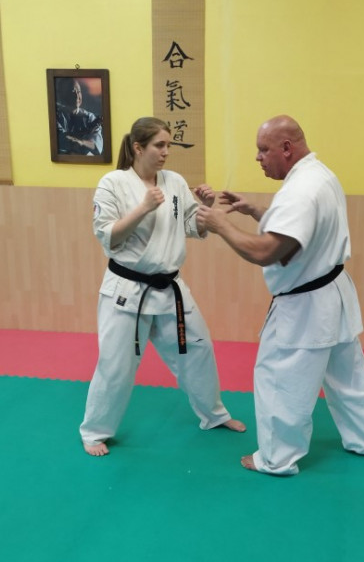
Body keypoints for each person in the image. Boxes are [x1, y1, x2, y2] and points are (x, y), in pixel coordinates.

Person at [196, 115, 364, 476]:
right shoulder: (320, 175)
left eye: (263, 149)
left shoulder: (300, 191)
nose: (257, 157)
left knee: (279, 380)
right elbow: (301, 230)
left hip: (306, 306)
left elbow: (268, 251)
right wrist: (255, 211)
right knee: (348, 378)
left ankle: (276, 459)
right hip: (333, 293)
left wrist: (221, 225)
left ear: (286, 148)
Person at [80, 116, 245, 457]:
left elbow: (191, 226)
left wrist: (206, 208)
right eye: (159, 145)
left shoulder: (174, 181)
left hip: (171, 288)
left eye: (169, 145)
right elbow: (108, 236)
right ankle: (94, 431)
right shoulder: (112, 183)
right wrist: (143, 208)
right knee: (116, 365)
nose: (166, 152)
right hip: (127, 291)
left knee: (198, 350)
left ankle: (213, 415)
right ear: (138, 148)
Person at [56, 77, 103, 156]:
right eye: (72, 91)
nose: (76, 95)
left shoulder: (90, 117)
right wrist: (86, 135)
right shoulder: (56, 116)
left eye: (78, 91)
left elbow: (96, 147)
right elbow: (62, 140)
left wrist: (78, 141)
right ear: (62, 95)